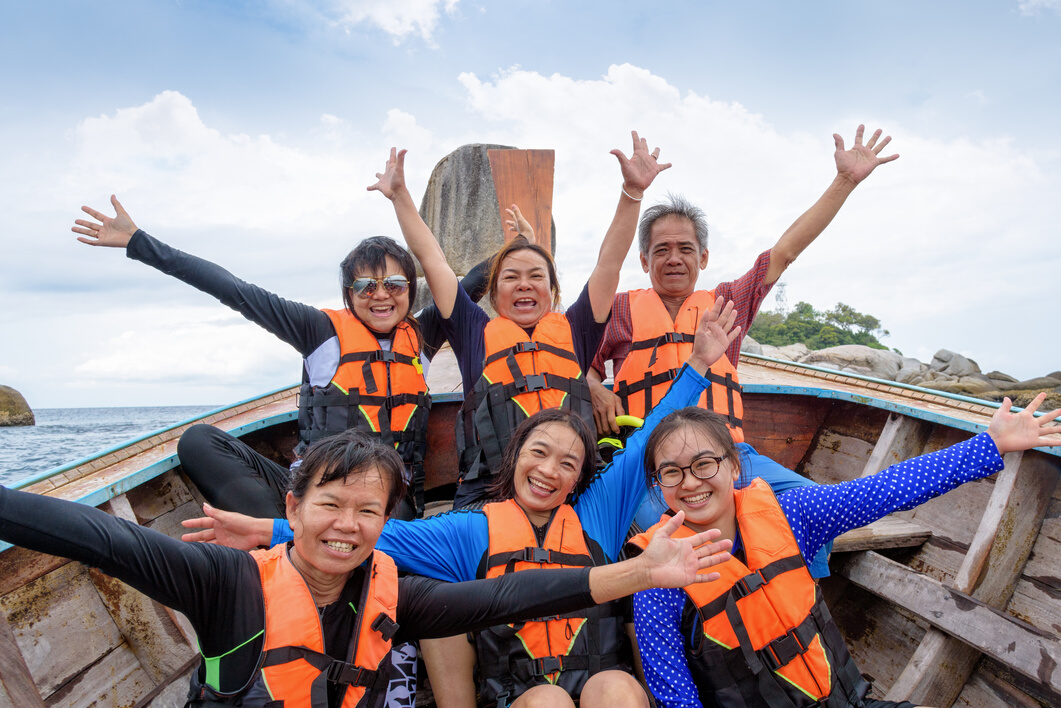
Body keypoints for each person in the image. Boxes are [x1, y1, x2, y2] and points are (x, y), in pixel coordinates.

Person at [182, 300, 745, 708]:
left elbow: (646, 438)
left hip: (597, 681)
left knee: (618, 690)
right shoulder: (470, 531)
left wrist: (699, 363)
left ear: (579, 479)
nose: (550, 471)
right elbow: (367, 535)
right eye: (539, 453)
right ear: (514, 458)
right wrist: (269, 531)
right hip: (521, 695)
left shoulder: (597, 515)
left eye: (567, 463)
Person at [0, 426, 732, 708]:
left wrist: (642, 573)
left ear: (386, 526)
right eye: (331, 504)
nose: (346, 527)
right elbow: (97, 539)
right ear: (293, 505)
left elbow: (512, 593)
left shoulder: (395, 596)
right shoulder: (228, 583)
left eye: (368, 512)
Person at [626, 375, 1061, 707]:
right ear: (657, 483)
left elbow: (889, 488)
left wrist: (992, 444)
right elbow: (674, 695)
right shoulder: (657, 574)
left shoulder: (792, 515)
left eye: (704, 463)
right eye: (671, 472)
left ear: (733, 464)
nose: (691, 483)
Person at [588, 125, 900, 577]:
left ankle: (797, 607)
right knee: (658, 543)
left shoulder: (727, 304)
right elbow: (575, 365)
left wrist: (845, 181)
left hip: (734, 458)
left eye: (685, 249)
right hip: (655, 471)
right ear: (644, 261)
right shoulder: (619, 311)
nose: (674, 259)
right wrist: (595, 385)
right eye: (661, 250)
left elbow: (786, 251)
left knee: (819, 513)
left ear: (704, 257)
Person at [71, 196, 503, 522]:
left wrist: (517, 246)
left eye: (393, 283)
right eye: (364, 286)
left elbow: (469, 285)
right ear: (348, 294)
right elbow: (233, 289)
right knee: (198, 441)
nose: (380, 294)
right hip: (315, 489)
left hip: (387, 503)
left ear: (410, 289)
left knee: (395, 527)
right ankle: (282, 542)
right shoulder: (316, 330)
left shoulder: (423, 334)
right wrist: (139, 242)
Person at [368, 132, 671, 511]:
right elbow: (432, 259)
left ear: (553, 290)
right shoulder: (474, 333)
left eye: (536, 276)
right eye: (511, 277)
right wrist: (400, 197)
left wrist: (632, 193)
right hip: (491, 495)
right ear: (494, 295)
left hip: (573, 494)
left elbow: (609, 262)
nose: (524, 284)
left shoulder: (577, 330)